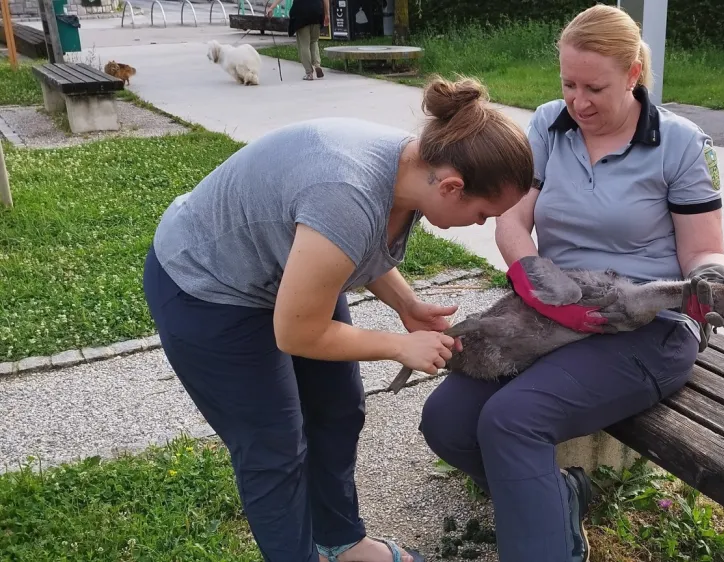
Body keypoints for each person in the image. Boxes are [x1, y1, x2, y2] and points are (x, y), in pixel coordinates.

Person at [142, 76, 533, 562]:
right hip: (206, 286)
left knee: (338, 406)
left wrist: (406, 306)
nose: (483, 225)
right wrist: (397, 344)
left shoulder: (410, 171)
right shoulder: (347, 193)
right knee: (274, 447)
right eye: (482, 215)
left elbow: (357, 249)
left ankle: (340, 542)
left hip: (281, 275)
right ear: (452, 187)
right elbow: (296, 331)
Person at [418, 5, 724, 561]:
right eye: (568, 84)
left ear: (634, 74)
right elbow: (514, 221)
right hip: (548, 311)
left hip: (644, 323)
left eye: (595, 87)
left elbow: (706, 251)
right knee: (446, 422)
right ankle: (555, 501)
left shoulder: (683, 144)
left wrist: (710, 287)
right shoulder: (547, 123)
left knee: (513, 421)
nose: (578, 102)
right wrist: (535, 284)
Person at [266, 0, 329, 80]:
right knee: (314, 41)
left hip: (301, 14)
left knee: (304, 45)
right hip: (317, 12)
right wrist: (327, 14)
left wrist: (272, 7)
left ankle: (309, 73)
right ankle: (317, 65)